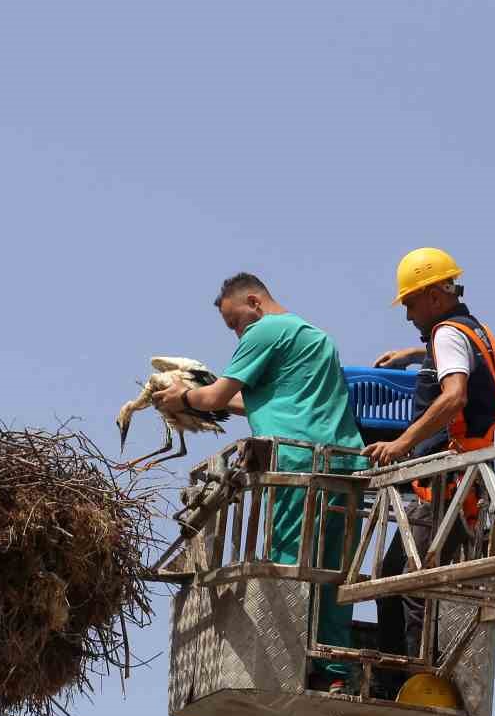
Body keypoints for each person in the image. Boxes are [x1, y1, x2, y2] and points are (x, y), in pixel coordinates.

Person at [155, 272, 368, 693]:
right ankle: (336, 674)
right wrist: (207, 400)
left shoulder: (264, 330)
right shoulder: (314, 337)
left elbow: (216, 397)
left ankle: (285, 665)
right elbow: (253, 400)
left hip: (297, 464)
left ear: (253, 302)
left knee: (288, 559)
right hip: (343, 465)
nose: (238, 334)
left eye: (236, 323)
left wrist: (182, 398)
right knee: (334, 570)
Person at [362, 247, 495, 673]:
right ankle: (405, 670)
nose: (407, 313)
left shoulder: (447, 334)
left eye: (409, 303)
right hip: (467, 478)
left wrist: (402, 442)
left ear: (433, 297)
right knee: (398, 577)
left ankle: (414, 677)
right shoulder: (471, 330)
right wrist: (413, 355)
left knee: (407, 581)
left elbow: (455, 395)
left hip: (449, 480)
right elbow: (460, 361)